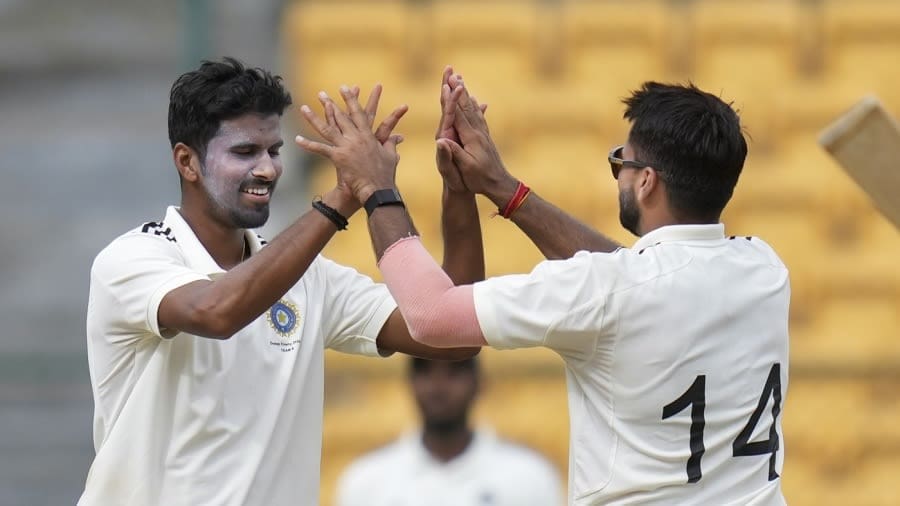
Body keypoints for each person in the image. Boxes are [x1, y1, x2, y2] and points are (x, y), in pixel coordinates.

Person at [296, 78, 790, 505]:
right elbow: (635, 273)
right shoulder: (765, 269)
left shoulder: (606, 291)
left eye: (623, 161)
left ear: (645, 182)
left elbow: (429, 315)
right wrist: (502, 188)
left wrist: (376, 189)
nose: (619, 171)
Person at [79, 58, 482, 506]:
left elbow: (452, 334)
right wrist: (343, 199)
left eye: (273, 151)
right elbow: (215, 312)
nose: (268, 170)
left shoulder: (309, 277)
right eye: (245, 152)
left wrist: (458, 189)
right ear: (187, 162)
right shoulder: (131, 259)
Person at [335, 357, 563, 506]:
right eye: (424, 370)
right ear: (410, 382)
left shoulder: (529, 477)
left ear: (479, 383)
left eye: (455, 370)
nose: (438, 385)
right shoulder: (366, 481)